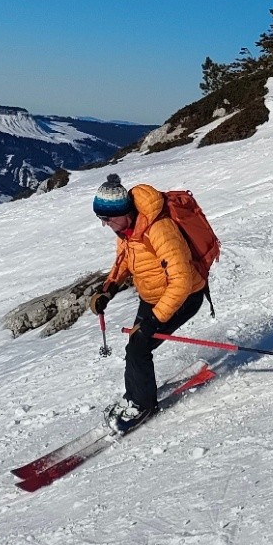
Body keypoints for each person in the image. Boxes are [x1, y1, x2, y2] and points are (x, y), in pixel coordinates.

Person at [87, 174, 209, 433]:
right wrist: (107, 290)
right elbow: (122, 261)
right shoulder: (127, 230)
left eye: (107, 218)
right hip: (153, 297)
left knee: (139, 345)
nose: (104, 224)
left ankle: (142, 404)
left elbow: (182, 280)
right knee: (135, 345)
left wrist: (154, 320)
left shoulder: (159, 230)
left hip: (184, 297)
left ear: (124, 212)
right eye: (102, 219)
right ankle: (135, 395)